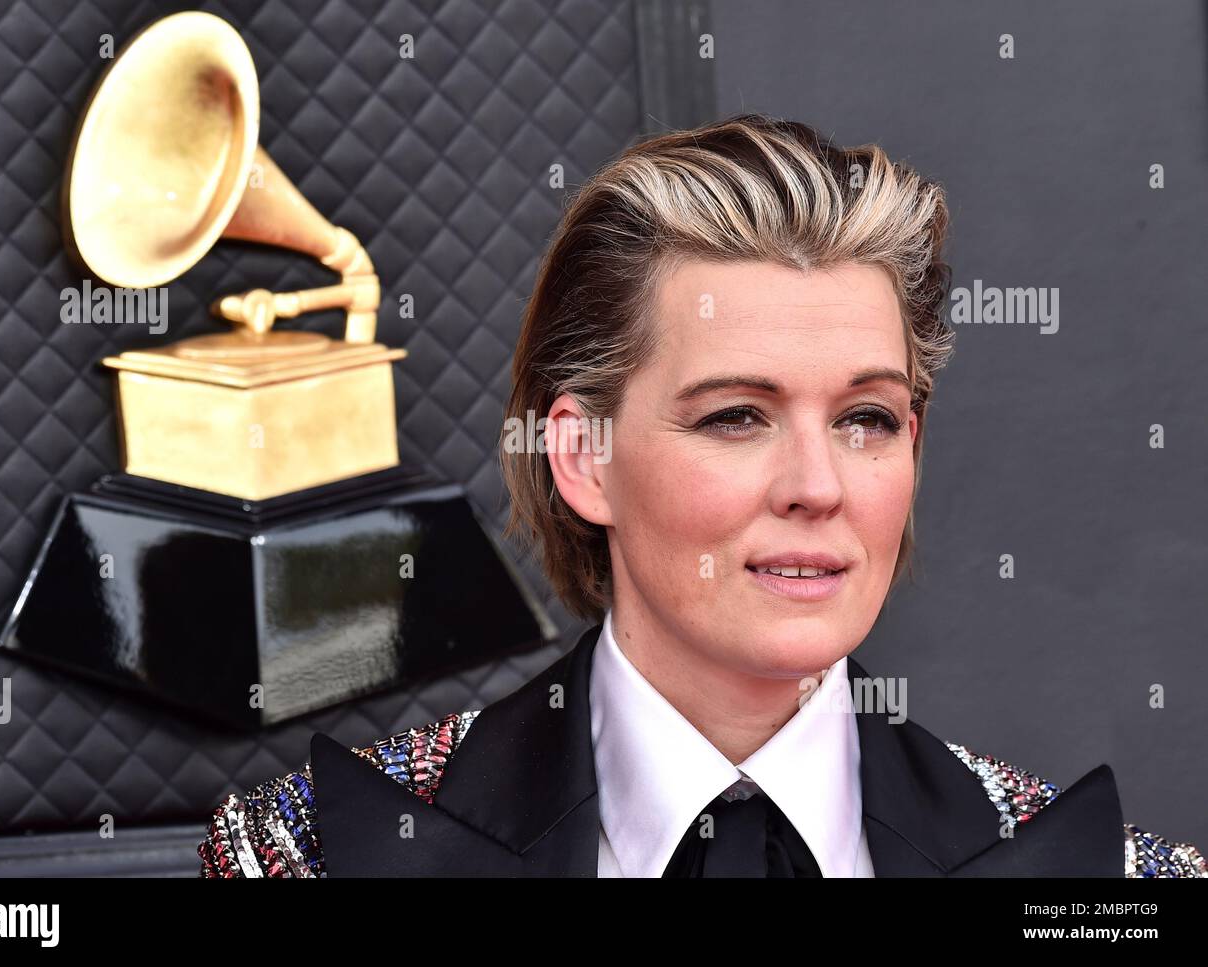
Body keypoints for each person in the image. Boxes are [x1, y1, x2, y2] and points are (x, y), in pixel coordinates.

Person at [198, 114, 1204, 878]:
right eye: (736, 415)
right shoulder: (303, 857)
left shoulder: (1114, 884)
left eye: (866, 418)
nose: (817, 487)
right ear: (584, 457)